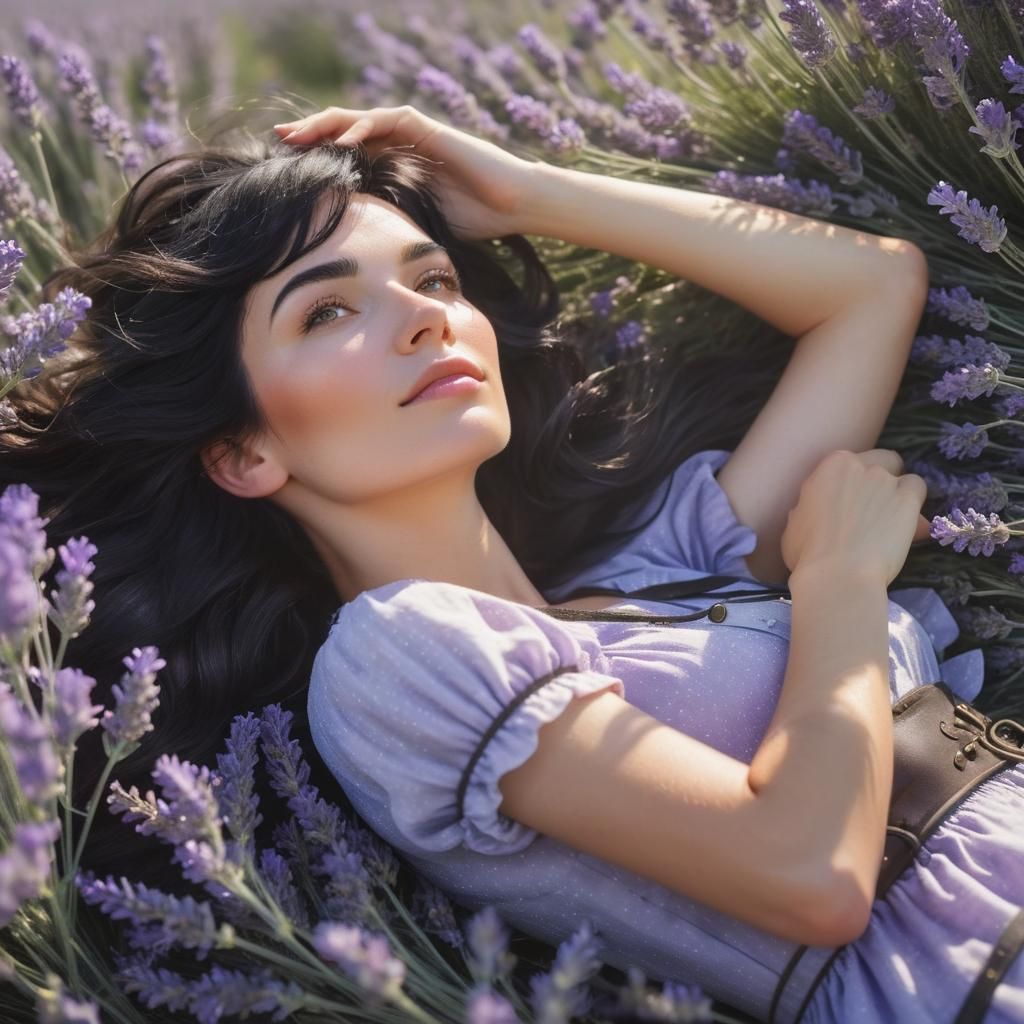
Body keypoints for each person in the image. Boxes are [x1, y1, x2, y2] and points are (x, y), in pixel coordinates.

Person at [3, 102, 1021, 1022]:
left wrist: (526, 192)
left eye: (433, 277)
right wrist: (839, 580)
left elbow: (873, 288)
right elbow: (811, 877)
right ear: (243, 453)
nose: (425, 316)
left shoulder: (654, 566)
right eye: (327, 311)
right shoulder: (394, 658)